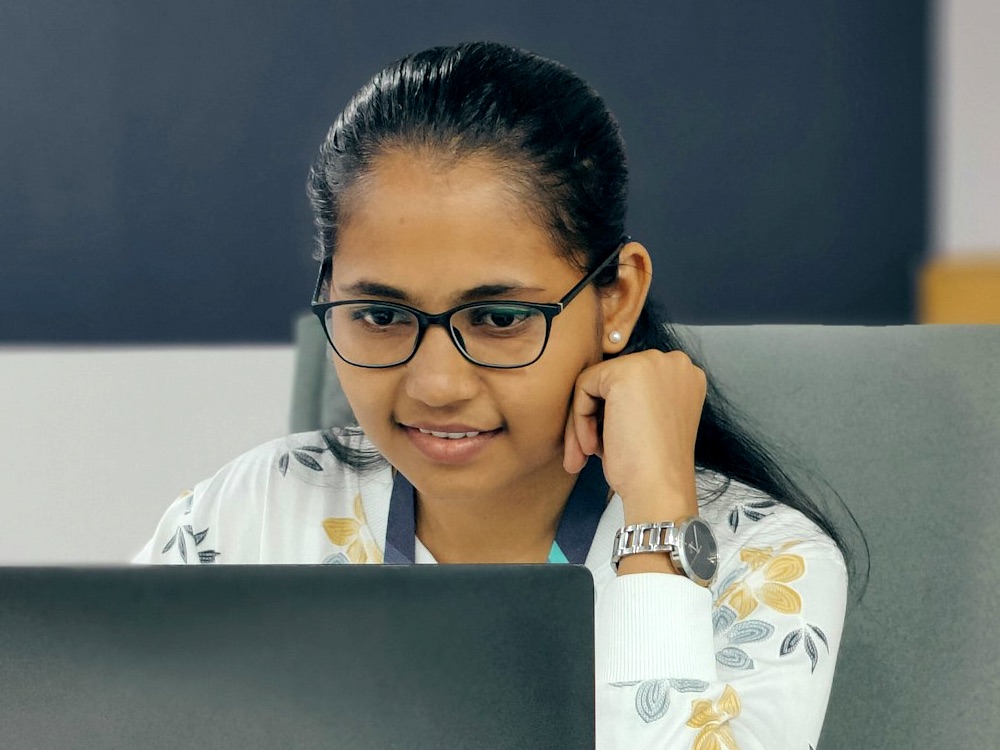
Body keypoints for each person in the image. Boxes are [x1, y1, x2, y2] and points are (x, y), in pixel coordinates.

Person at [135, 41, 863, 749]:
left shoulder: (767, 565)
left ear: (617, 298)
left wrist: (657, 530)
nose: (437, 385)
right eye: (382, 317)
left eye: (500, 319)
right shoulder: (251, 514)